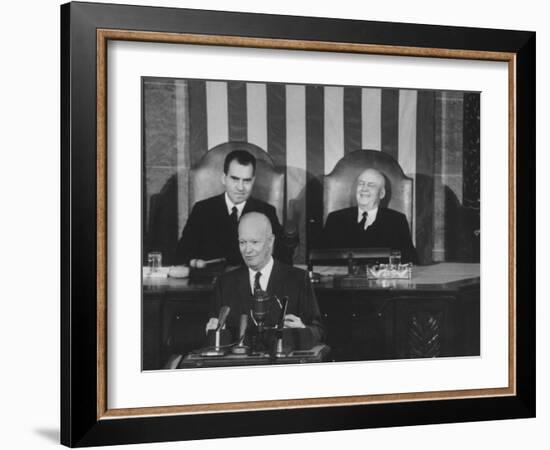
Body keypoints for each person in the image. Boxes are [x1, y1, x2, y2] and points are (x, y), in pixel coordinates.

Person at [206, 212, 324, 346]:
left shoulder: (298, 279)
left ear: (270, 241)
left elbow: (318, 331)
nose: (247, 250)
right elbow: (213, 336)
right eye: (242, 242)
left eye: (254, 242)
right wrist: (212, 331)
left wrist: (303, 330)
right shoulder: (224, 283)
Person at [174, 150, 288, 266]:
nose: (240, 187)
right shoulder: (202, 210)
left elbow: (283, 260)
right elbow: (182, 255)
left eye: (247, 180)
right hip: (210, 281)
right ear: (224, 178)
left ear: (253, 181)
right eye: (235, 179)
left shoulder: (266, 212)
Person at [321, 168, 418, 264]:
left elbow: (409, 259)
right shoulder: (335, 219)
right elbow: (321, 260)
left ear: (382, 193)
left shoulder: (397, 221)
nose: (364, 188)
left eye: (371, 185)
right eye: (361, 183)